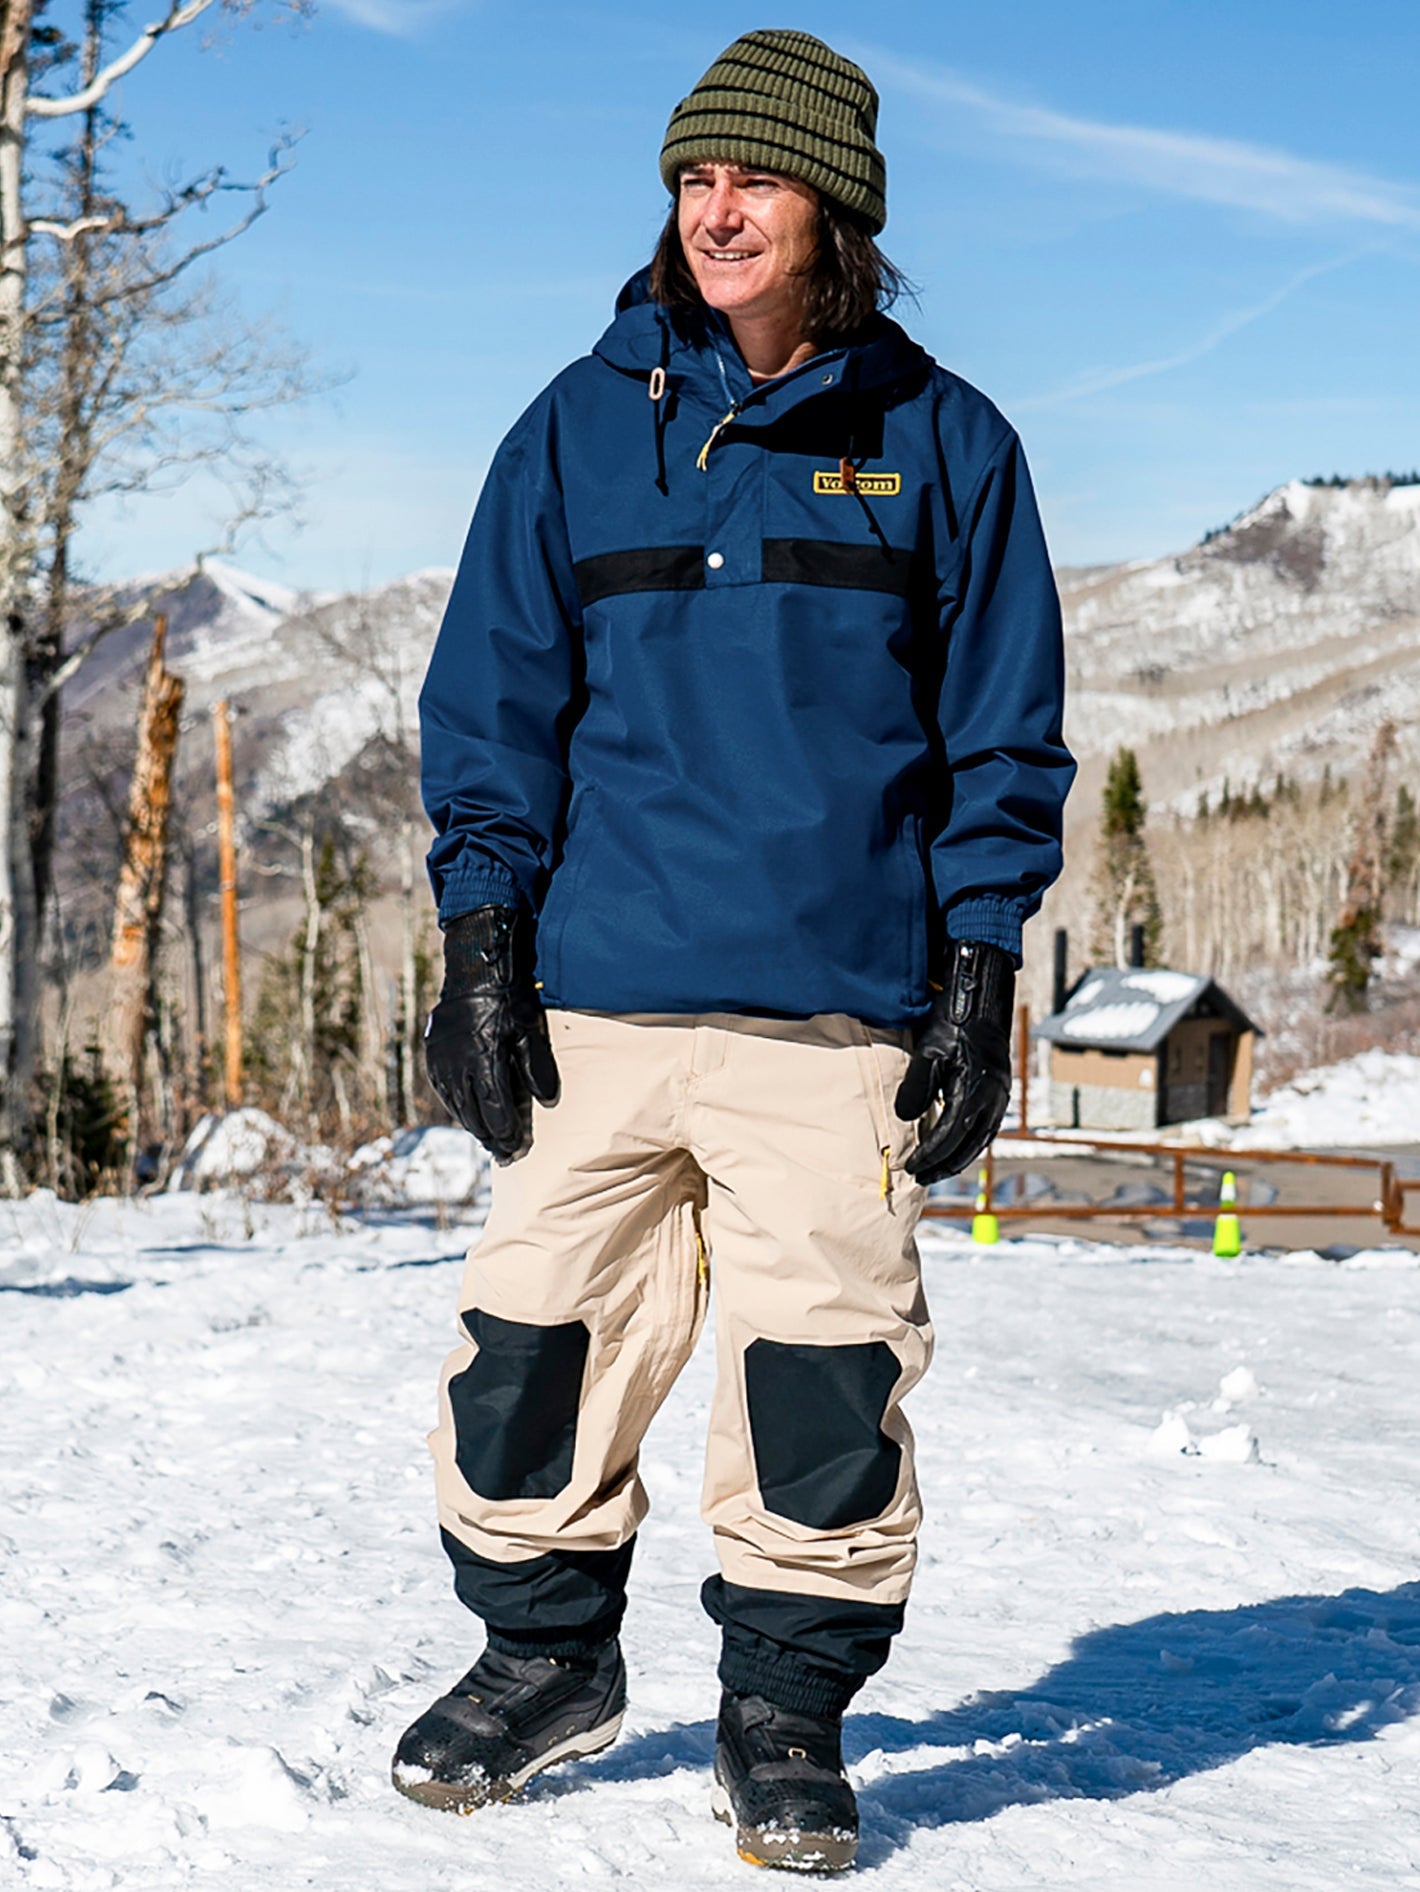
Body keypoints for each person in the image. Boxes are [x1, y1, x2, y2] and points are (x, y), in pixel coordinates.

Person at [395, 27, 1074, 1872]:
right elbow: (493, 708)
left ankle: (784, 1715)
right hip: (600, 1002)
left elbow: (1003, 739)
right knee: (531, 1347)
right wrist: (480, 943)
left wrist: (980, 969)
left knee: (822, 1380)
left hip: (836, 1016)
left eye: (755, 178)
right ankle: (544, 1662)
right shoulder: (576, 425)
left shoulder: (945, 441)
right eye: (695, 178)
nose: (718, 210)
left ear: (834, 209)